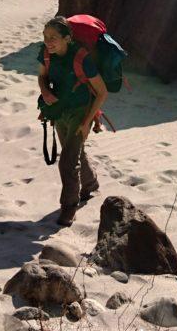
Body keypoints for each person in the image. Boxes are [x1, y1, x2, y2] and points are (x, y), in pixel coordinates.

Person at [38, 16, 107, 226]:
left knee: (67, 161)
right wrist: (45, 91)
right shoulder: (46, 54)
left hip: (80, 111)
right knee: (73, 151)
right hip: (59, 111)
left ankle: (69, 206)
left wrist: (87, 122)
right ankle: (90, 183)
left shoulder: (81, 59)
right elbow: (42, 76)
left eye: (53, 37)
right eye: (45, 36)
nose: (48, 41)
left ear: (67, 38)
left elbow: (102, 92)